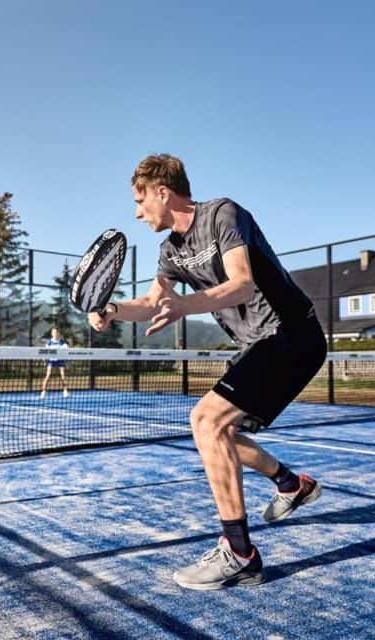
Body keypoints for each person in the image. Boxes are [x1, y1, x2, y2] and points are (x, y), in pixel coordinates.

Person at [89, 153, 326, 590]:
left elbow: (242, 283)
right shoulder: (170, 251)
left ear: (163, 192)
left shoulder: (222, 214)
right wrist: (114, 309)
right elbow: (150, 303)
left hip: (292, 332)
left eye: (141, 201)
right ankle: (292, 484)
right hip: (260, 343)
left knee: (205, 419)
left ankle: (239, 553)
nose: (138, 213)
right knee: (219, 432)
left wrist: (184, 306)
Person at [40, 327, 70, 399]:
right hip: (51, 360)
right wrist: (45, 359)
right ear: (51, 334)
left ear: (58, 333)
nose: (55, 334)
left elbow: (66, 349)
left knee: (63, 376)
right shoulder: (49, 342)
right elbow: (45, 351)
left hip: (60, 360)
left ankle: (65, 391)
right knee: (48, 375)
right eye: (53, 333)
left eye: (56, 332)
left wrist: (65, 356)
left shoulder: (62, 342)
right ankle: (43, 392)